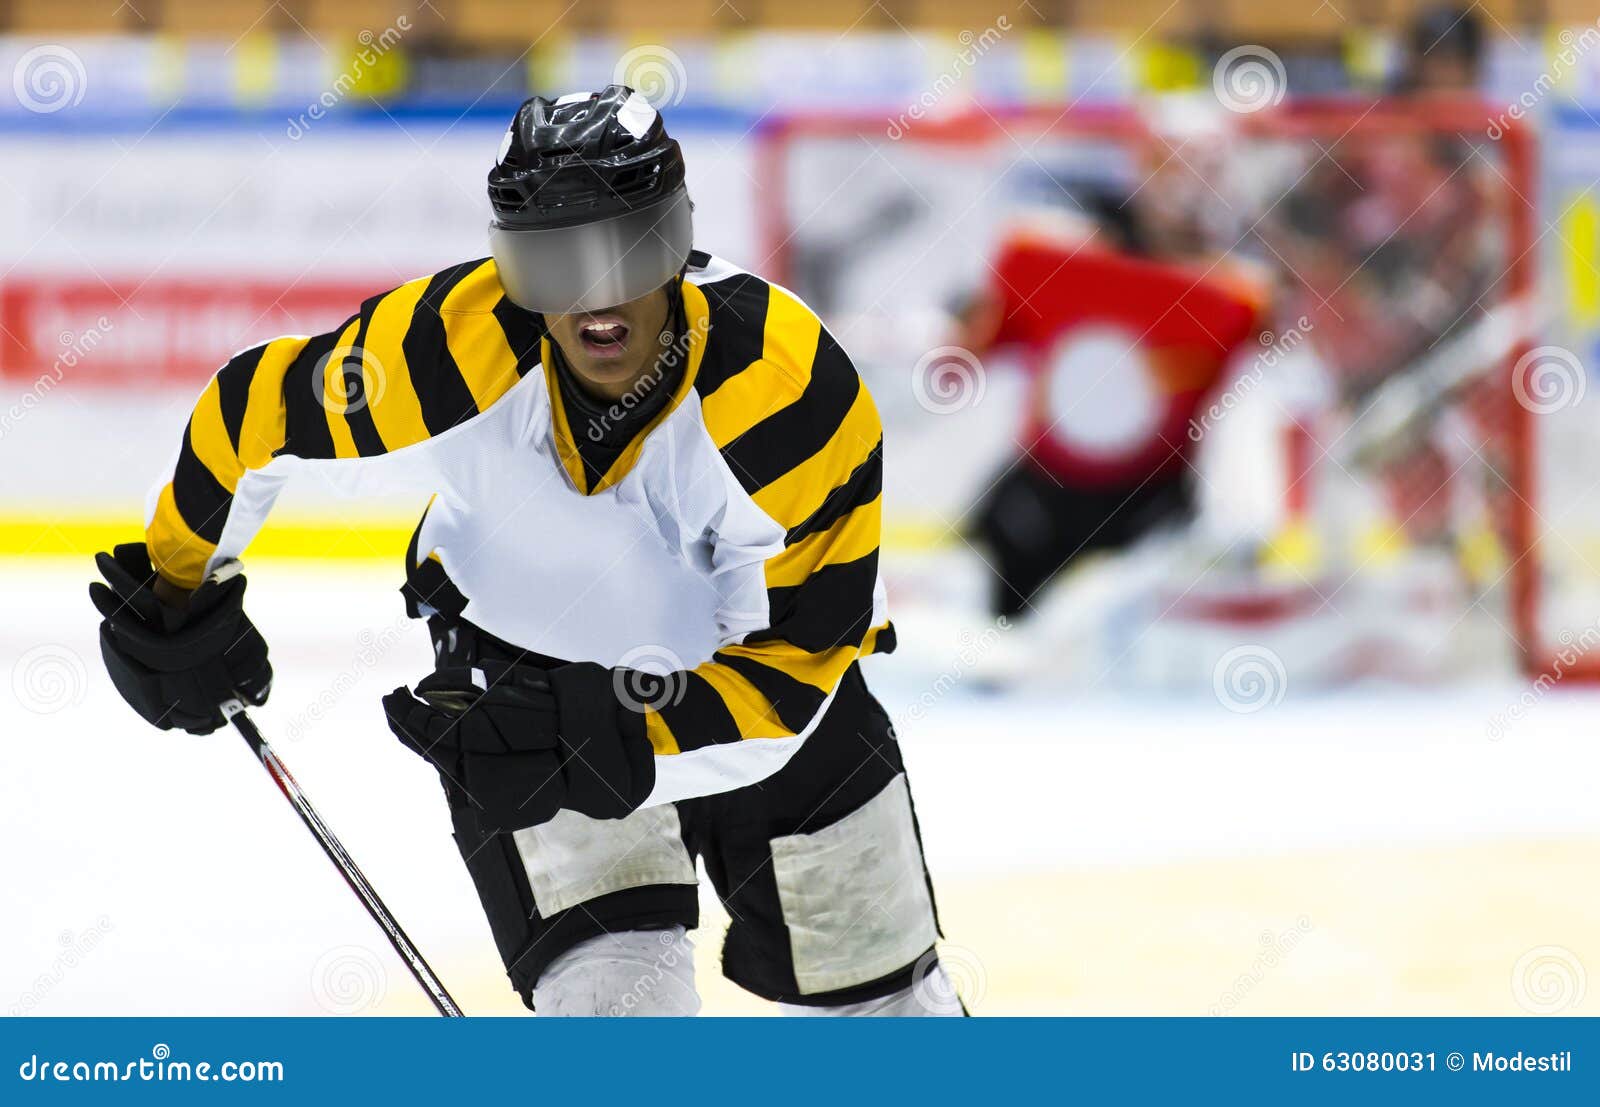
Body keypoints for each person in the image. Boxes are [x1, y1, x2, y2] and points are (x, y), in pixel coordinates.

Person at [88, 85, 959, 1017]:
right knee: (617, 1021)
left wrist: (613, 742)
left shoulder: (791, 392)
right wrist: (178, 586)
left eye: (628, 248)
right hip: (522, 691)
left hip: (770, 698)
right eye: (551, 262)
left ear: (678, 238)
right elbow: (249, 411)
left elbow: (795, 670)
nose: (594, 297)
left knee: (893, 1028)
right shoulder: (444, 346)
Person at [956, 187, 1268, 619]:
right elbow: (970, 346)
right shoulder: (1229, 299)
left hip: (1139, 510)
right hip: (1071, 500)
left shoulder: (1040, 268)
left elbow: (967, 349)